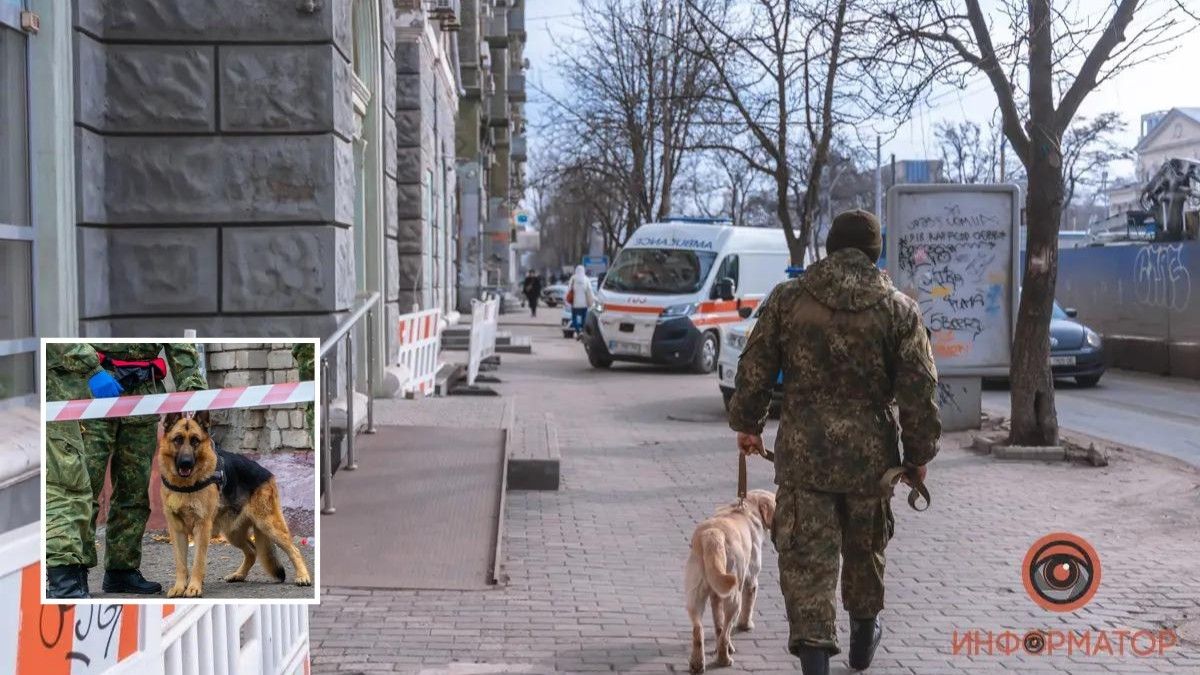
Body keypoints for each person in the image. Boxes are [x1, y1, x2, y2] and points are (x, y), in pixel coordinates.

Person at [726, 209, 941, 675]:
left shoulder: (787, 298)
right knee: (866, 550)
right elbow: (919, 389)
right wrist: (918, 456)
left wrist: (748, 424)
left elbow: (755, 367)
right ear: (874, 251)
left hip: (805, 458)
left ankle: (816, 658)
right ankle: (864, 636)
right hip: (872, 461)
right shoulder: (899, 309)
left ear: (828, 247)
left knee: (808, 562)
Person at [81, 343, 208, 594]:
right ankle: (73, 571)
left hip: (143, 394)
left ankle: (122, 570)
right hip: (94, 390)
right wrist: (91, 369)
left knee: (134, 490)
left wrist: (193, 387)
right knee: (84, 488)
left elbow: (179, 344)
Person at [45, 343, 121, 598]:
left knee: (77, 492)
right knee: (63, 492)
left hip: (64, 402)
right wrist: (92, 368)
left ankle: (73, 579)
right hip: (51, 399)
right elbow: (58, 332)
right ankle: (64, 586)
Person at [567, 265, 596, 337]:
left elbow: (569, 289)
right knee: (584, 319)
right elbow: (590, 291)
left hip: (575, 304)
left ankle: (578, 331)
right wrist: (593, 301)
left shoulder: (573, 278)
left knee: (574, 319)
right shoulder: (586, 279)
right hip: (584, 304)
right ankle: (582, 331)